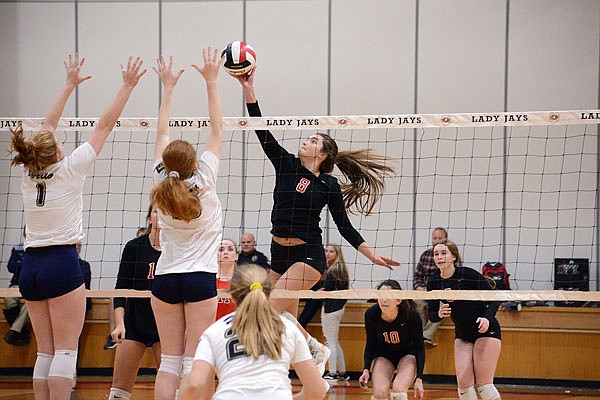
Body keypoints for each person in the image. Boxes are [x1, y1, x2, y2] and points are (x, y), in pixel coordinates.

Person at [236, 68, 399, 372]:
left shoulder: (328, 185)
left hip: (308, 255)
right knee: (283, 317)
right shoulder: (286, 164)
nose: (306, 142)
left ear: (322, 155)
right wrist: (249, 89)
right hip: (279, 254)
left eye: (312, 141)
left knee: (266, 309)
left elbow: (343, 225)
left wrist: (371, 254)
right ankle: (313, 361)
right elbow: (260, 130)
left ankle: (269, 362)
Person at [9, 53, 145, 399]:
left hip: (31, 267)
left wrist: (68, 85)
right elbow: (103, 126)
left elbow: (47, 128)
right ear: (56, 152)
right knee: (66, 351)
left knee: (45, 351)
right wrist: (127, 86)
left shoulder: (28, 174)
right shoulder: (71, 169)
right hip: (61, 263)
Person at [150, 51, 223, 400]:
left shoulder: (160, 183)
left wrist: (167, 88)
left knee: (168, 362)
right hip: (199, 278)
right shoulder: (206, 178)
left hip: (164, 279)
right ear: (195, 161)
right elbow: (217, 128)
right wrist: (212, 81)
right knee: (197, 361)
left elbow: (161, 129)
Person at [180, 264, 329, 400]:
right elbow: (317, 391)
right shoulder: (288, 328)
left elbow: (194, 385)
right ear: (269, 292)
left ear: (232, 295)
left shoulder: (213, 331)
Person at [427, 240, 502, 400]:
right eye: (436, 254)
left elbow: (495, 298)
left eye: (443, 253)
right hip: (462, 334)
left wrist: (487, 318)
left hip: (486, 330)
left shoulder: (467, 274)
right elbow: (432, 315)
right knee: (464, 386)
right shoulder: (433, 282)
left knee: (484, 386)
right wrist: (439, 313)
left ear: (453, 256)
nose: (439, 257)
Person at [107, 204, 162, 400]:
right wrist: (119, 323)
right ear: (149, 218)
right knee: (119, 391)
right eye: (157, 211)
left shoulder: (177, 249)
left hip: (166, 325)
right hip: (135, 321)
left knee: (171, 389)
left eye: (167, 211)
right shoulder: (134, 247)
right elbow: (121, 288)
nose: (162, 215)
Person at [359, 280, 425, 400]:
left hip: (407, 355)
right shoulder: (371, 314)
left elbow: (419, 347)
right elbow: (370, 343)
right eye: (381, 296)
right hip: (384, 356)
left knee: (399, 389)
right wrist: (366, 369)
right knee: (379, 393)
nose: (384, 300)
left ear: (398, 300)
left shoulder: (411, 315)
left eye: (388, 297)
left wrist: (419, 378)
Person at [413, 227, 448, 348]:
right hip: (425, 292)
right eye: (434, 238)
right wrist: (419, 287)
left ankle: (426, 336)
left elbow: (455, 277)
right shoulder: (425, 255)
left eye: (440, 238)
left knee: (443, 306)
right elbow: (417, 275)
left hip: (442, 294)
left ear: (446, 239)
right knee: (416, 302)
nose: (437, 240)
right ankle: (420, 336)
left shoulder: (451, 256)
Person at [321, 244, 350, 381]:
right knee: (334, 341)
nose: (328, 253)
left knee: (330, 341)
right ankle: (342, 371)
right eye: (326, 251)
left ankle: (332, 372)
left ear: (337, 254)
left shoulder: (333, 270)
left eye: (331, 251)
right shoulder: (341, 269)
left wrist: (312, 293)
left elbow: (326, 290)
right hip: (339, 308)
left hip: (331, 309)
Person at [3, 228, 30, 347]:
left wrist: (21, 263)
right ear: (24, 233)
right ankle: (20, 333)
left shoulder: (42, 248)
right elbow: (11, 267)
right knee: (8, 298)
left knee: (31, 304)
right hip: (16, 284)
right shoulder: (18, 248)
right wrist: (26, 265)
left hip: (32, 286)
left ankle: (14, 331)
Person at [216, 239, 238, 320]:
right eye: (221, 249)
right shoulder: (208, 282)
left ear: (236, 256)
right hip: (212, 328)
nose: (225, 252)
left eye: (230, 249)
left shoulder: (241, 282)